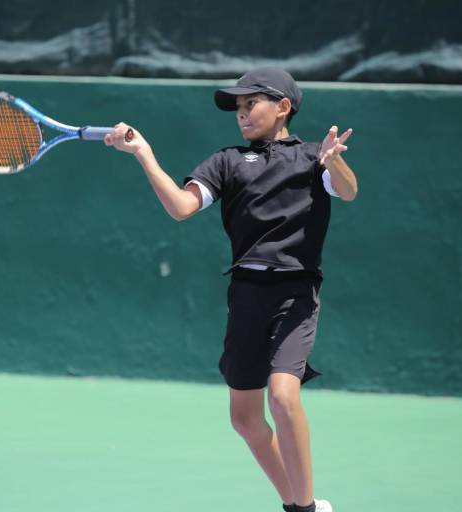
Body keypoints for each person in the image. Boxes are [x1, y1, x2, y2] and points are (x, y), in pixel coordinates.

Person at [104, 68, 357, 512]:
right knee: (244, 419)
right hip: (245, 294)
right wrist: (143, 152)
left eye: (250, 104)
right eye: (237, 107)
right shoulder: (226, 161)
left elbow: (348, 191)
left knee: (283, 396)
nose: (241, 114)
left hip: (294, 292)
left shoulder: (314, 157)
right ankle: (304, 505)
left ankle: (302, 509)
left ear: (283, 107)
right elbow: (181, 207)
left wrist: (334, 160)